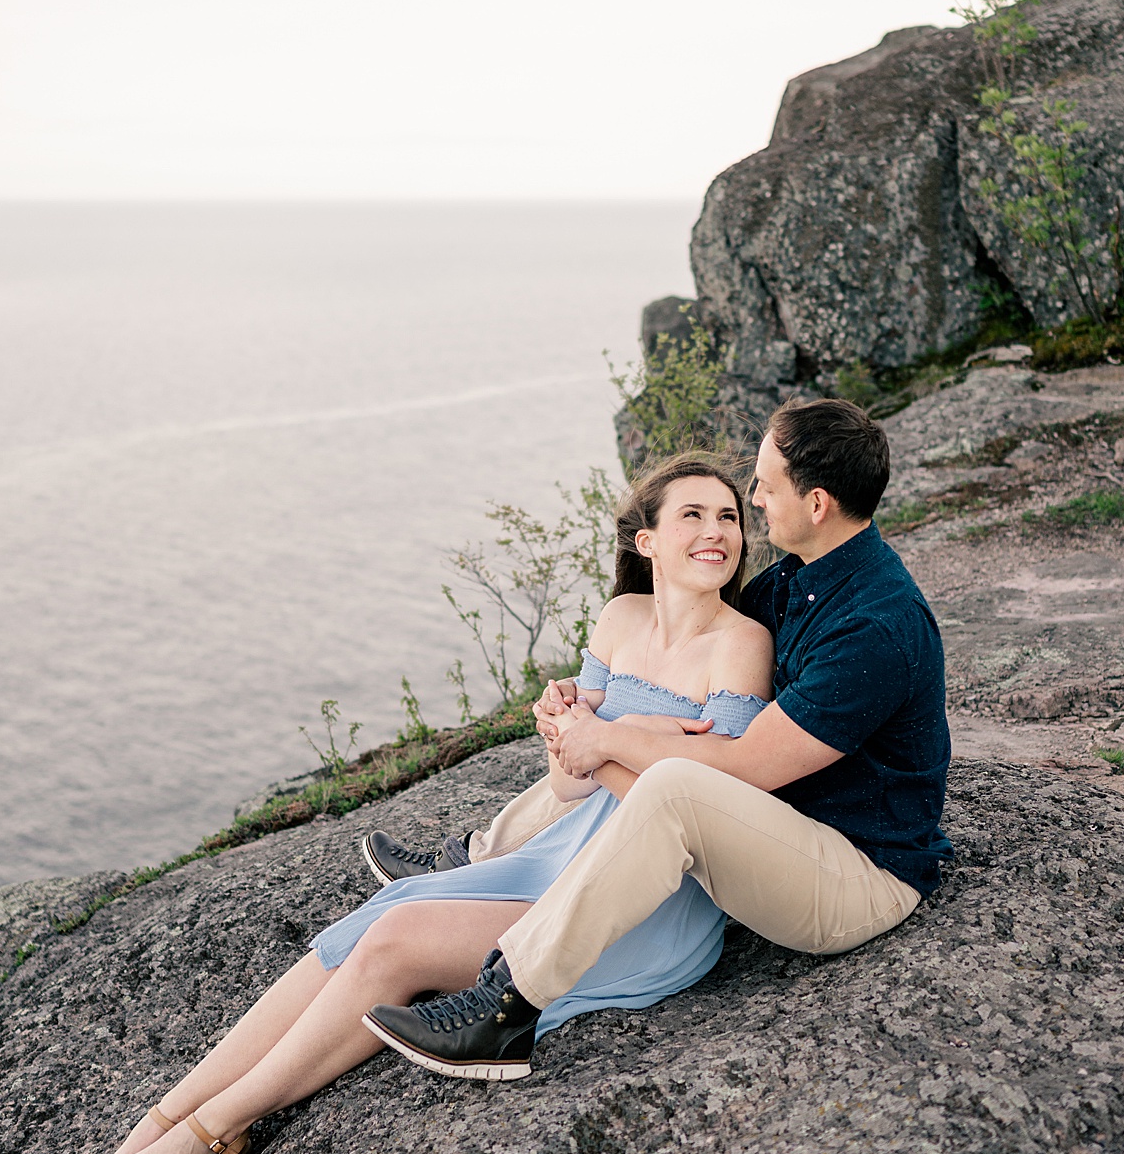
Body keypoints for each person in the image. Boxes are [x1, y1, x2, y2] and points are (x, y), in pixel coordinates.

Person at [66, 454, 773, 1154]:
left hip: (642, 893)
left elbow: (701, 809)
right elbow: (572, 783)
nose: (716, 532)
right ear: (647, 543)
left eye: (728, 516)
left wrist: (607, 735)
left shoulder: (741, 643)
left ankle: (212, 1130)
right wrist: (580, 737)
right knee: (370, 921)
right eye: (692, 516)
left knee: (398, 936)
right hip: (564, 851)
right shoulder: (620, 620)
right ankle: (166, 1115)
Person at [363, 397, 951, 1083]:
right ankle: (473, 858)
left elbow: (743, 767)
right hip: (787, 832)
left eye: (763, 484)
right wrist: (587, 709)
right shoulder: (794, 581)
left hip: (857, 876)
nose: (754, 498)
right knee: (620, 739)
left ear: (816, 503)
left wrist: (606, 737)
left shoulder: (874, 627)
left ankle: (507, 1007)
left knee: (664, 780)